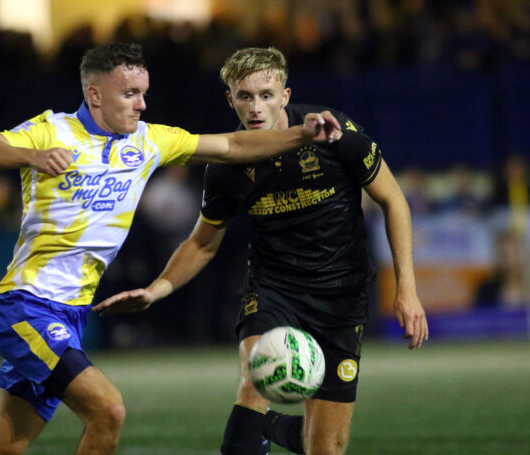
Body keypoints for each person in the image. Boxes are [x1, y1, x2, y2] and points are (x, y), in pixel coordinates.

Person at [0, 42, 342, 455]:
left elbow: (232, 145)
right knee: (108, 410)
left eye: (144, 93)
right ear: (95, 95)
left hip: (70, 315)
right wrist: (31, 156)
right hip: (27, 307)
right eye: (130, 93)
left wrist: (302, 135)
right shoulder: (52, 130)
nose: (142, 104)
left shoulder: (148, 141)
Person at [94, 47, 429, 455]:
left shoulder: (335, 132)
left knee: (326, 448)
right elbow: (202, 242)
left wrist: (407, 290)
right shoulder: (226, 166)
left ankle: (270, 429)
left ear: (285, 96)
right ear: (230, 99)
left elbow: (394, 201)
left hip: (341, 294)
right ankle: (251, 430)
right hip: (274, 289)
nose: (255, 107)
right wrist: (155, 289)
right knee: (256, 379)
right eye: (245, 96)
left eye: (266, 95)